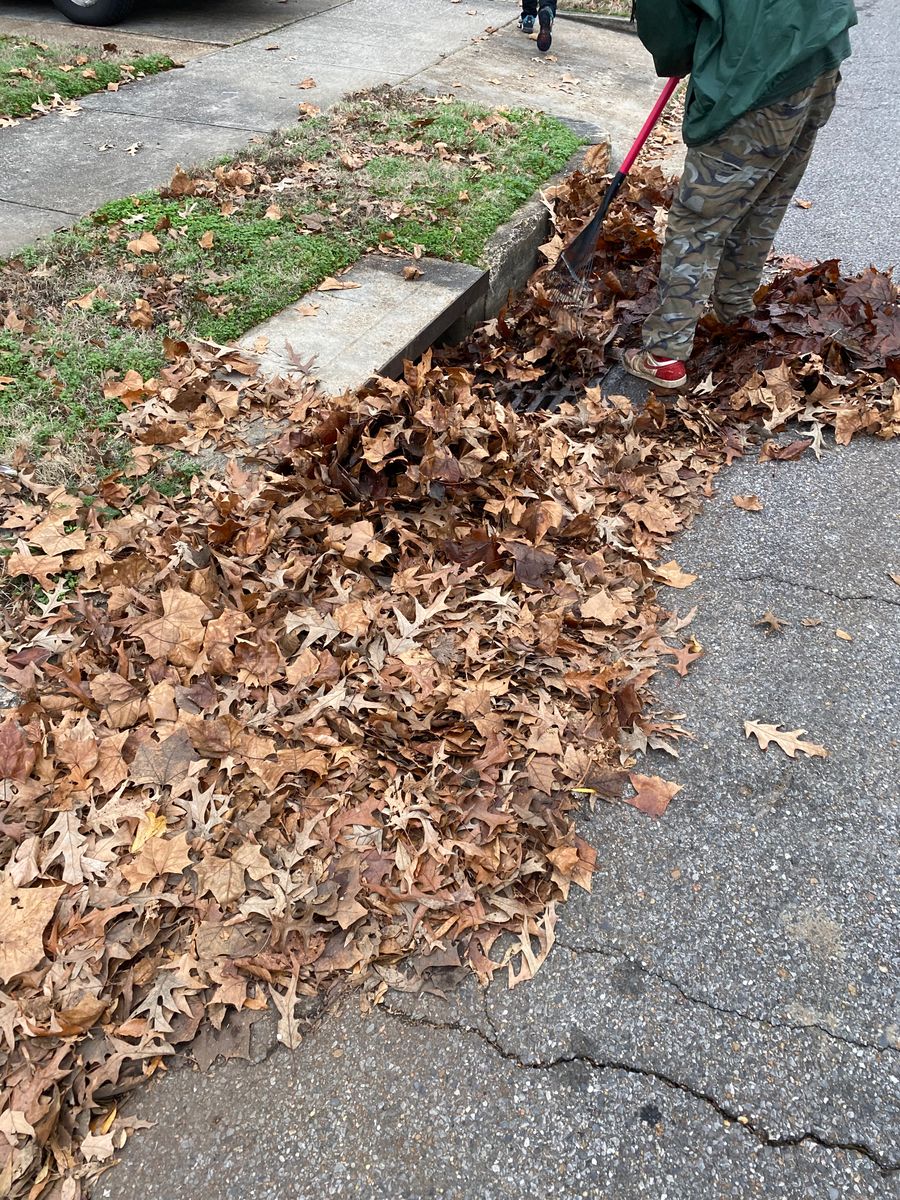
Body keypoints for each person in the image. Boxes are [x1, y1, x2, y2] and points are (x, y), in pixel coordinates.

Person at [624, 0, 858, 390]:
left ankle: (665, 354)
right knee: (766, 193)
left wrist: (691, 49)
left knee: (699, 219)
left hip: (758, 75)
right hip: (819, 52)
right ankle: (735, 308)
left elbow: (670, 38)